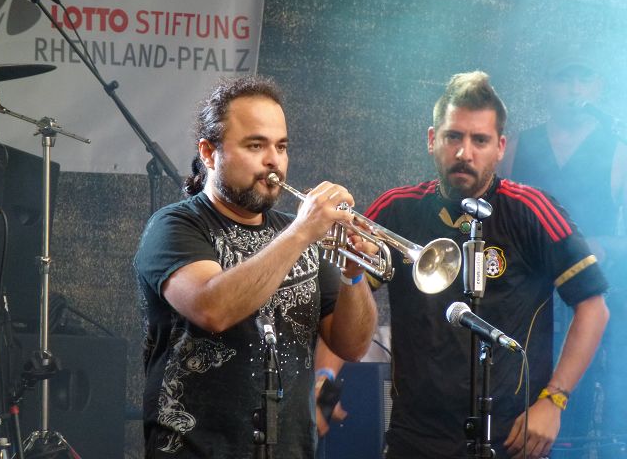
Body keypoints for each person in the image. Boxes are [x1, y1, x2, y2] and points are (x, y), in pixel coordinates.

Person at [363, 71, 609, 459]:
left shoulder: (532, 210)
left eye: (480, 140)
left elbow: (593, 306)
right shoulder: (395, 209)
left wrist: (554, 400)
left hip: (511, 436)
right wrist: (325, 378)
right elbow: (343, 294)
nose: (465, 152)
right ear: (432, 139)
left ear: (500, 147)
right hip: (415, 435)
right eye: (453, 137)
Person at [133, 75, 377, 458]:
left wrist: (353, 272)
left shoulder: (298, 235)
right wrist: (302, 232)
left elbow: (353, 346)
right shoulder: (175, 226)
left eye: (281, 146)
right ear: (209, 153)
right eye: (255, 145)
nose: (273, 160)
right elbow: (212, 308)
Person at [510, 51, 627, 442]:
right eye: (564, 78)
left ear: (599, 87)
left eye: (584, 78)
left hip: (591, 298)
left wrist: (603, 245)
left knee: (586, 415)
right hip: (526, 299)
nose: (574, 88)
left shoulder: (619, 149)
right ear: (546, 86)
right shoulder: (517, 146)